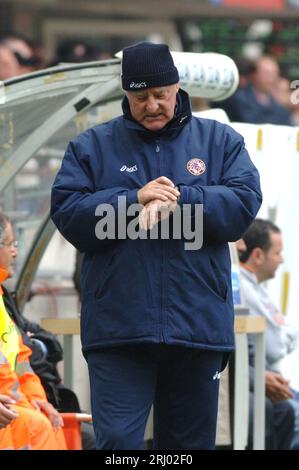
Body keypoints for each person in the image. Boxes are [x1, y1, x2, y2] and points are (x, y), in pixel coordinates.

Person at [51, 41, 262, 450]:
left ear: (177, 87)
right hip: (119, 331)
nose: (151, 105)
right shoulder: (91, 147)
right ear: (126, 95)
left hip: (196, 327)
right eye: (140, 97)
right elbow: (70, 214)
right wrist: (134, 200)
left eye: (160, 95)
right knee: (118, 445)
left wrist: (182, 196)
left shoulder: (220, 141)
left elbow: (242, 205)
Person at [0, 212, 67, 450]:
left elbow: (19, 361)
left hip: (12, 404)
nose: (15, 252)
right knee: (37, 426)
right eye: (10, 244)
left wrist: (38, 400)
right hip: (9, 410)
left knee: (49, 422)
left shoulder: (1, 297)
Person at [237, 218, 299, 449]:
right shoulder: (243, 287)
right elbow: (276, 346)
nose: (282, 259)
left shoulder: (255, 288)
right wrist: (286, 332)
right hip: (254, 377)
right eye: (278, 252)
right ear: (258, 255)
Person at [217, 56, 292, 125]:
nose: (271, 78)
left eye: (275, 73)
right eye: (266, 73)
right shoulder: (239, 98)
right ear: (254, 74)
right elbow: (250, 121)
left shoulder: (277, 103)